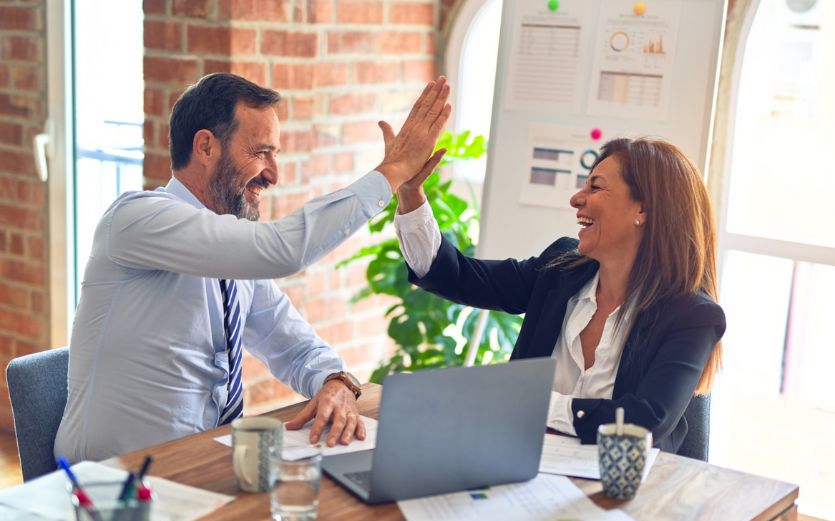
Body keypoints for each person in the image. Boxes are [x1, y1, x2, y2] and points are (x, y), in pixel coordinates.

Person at [55, 72, 451, 462]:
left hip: (202, 469)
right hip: (111, 485)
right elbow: (283, 250)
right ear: (206, 147)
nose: (273, 174)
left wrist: (335, 381)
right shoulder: (137, 219)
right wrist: (394, 171)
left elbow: (293, 345)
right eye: (261, 152)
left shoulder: (232, 256)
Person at [393, 137, 725, 453]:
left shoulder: (692, 316)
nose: (577, 199)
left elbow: (643, 422)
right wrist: (410, 193)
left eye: (595, 187)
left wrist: (531, 402)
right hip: (523, 469)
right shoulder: (560, 269)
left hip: (626, 495)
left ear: (644, 210)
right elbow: (456, 276)